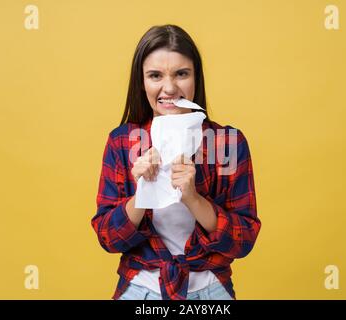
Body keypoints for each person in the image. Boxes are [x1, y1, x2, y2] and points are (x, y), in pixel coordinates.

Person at [91, 24, 261, 300]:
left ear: (196, 78)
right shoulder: (122, 142)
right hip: (140, 290)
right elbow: (108, 238)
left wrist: (193, 198)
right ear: (141, 81)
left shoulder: (228, 142)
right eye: (155, 75)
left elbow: (243, 241)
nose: (169, 88)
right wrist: (143, 193)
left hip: (210, 290)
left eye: (181, 74)